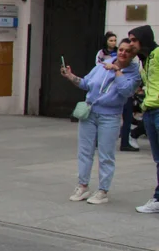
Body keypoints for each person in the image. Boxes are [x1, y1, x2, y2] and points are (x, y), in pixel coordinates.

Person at [60, 39, 140, 205]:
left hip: (110, 116)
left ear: (132, 56)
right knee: (85, 151)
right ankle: (82, 186)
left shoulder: (133, 74)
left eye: (127, 52)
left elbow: (126, 91)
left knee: (106, 154)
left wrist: (117, 71)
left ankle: (103, 190)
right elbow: (86, 84)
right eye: (121, 50)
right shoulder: (103, 64)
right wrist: (71, 77)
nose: (123, 53)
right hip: (90, 112)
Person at [129, 26, 159, 214]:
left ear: (143, 39)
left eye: (133, 40)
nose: (131, 43)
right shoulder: (144, 60)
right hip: (149, 111)